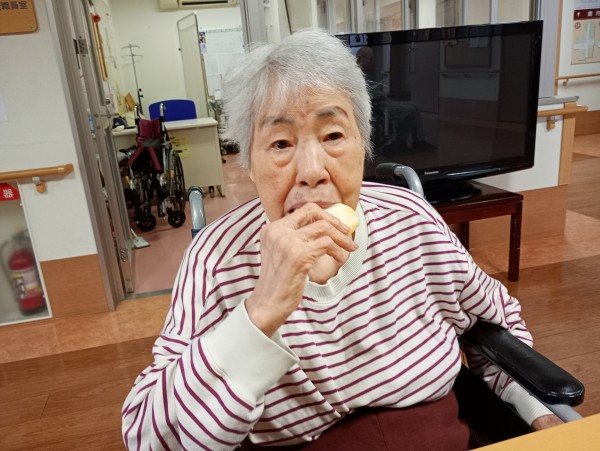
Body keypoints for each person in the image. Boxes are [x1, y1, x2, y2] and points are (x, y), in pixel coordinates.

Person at [122, 28, 561, 450]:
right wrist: (259, 313)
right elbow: (149, 437)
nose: (312, 171)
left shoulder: (411, 221)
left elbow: (495, 321)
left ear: (363, 146)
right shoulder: (217, 259)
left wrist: (534, 410)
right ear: (249, 163)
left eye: (333, 135)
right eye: (280, 143)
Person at [355, 45, 435, 154]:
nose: (372, 63)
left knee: (414, 106)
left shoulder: (364, 74)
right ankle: (398, 142)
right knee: (411, 110)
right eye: (370, 59)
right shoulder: (355, 75)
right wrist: (379, 94)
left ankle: (418, 140)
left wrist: (379, 92)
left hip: (382, 102)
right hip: (378, 105)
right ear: (360, 59)